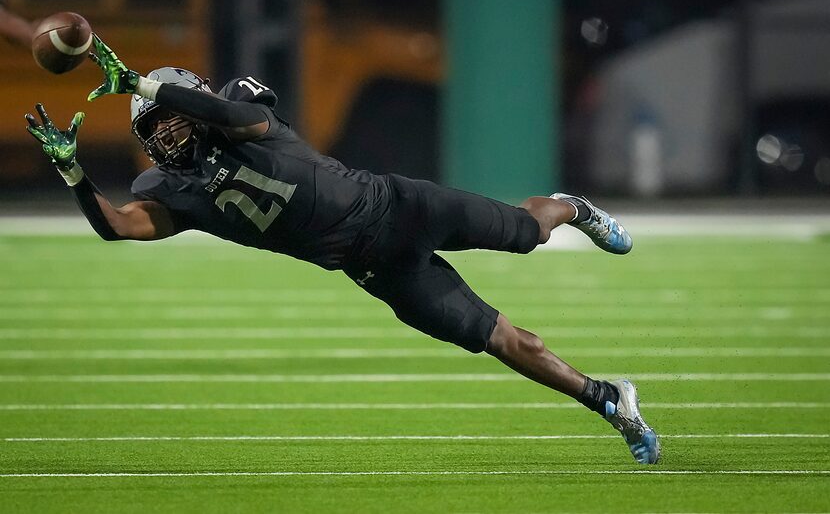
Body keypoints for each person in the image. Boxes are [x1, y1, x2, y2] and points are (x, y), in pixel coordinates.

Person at [25, 34, 660, 464]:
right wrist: (73, 173)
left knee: (527, 234)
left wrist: (143, 83)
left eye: (169, 116)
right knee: (504, 341)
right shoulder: (169, 190)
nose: (164, 133)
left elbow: (238, 120)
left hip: (398, 207)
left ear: (191, 105)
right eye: (151, 129)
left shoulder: (240, 111)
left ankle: (572, 209)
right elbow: (116, 226)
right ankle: (607, 398)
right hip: (372, 267)